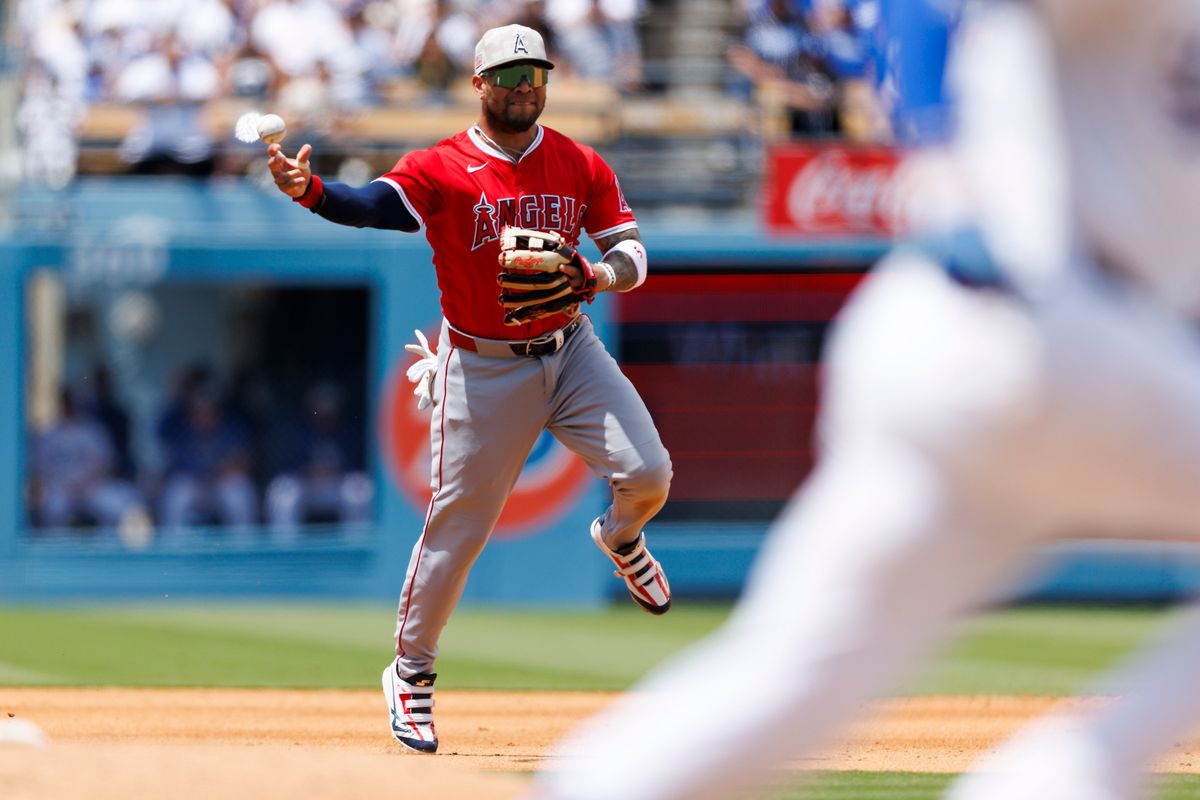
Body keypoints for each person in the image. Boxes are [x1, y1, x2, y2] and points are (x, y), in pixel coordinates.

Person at [527, 1, 1200, 798]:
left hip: (941, 339)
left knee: (789, 680)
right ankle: (1076, 774)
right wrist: (942, 139)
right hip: (1057, 330)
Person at [266, 23, 673, 755]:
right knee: (458, 530)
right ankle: (411, 674)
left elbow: (632, 250)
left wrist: (599, 275)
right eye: (511, 77)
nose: (526, 89)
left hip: (570, 346)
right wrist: (311, 191)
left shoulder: (578, 162)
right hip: (484, 367)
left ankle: (619, 534)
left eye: (536, 75)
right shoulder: (442, 166)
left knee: (649, 473)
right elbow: (372, 205)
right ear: (480, 85)